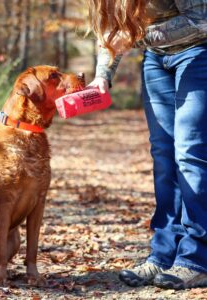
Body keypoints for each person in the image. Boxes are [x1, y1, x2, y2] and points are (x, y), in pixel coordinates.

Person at [87, 0, 207, 290]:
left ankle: (196, 259)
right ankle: (164, 254)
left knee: (189, 155)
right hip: (156, 61)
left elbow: (201, 20)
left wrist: (139, 36)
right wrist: (102, 76)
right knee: (164, 157)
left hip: (198, 55)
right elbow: (113, 29)